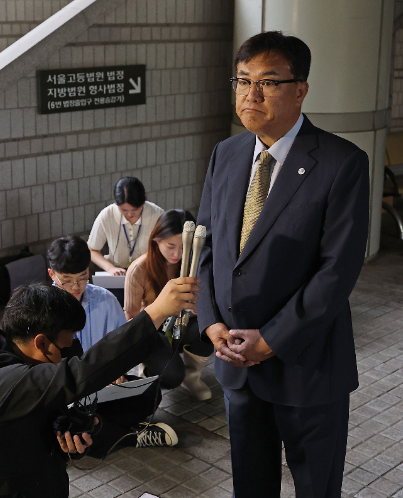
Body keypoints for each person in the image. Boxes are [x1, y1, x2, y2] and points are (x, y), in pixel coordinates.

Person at [197, 31, 369, 498]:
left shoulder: (341, 162)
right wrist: (211, 323)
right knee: (251, 487)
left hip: (307, 366)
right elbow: (208, 248)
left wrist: (271, 339)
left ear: (300, 89)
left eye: (268, 82)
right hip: (238, 364)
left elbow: (337, 271)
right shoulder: (226, 154)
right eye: (242, 80)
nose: (251, 94)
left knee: (316, 487)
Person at [0, 277, 200, 498]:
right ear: (41, 342)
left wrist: (61, 429)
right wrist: (155, 313)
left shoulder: (13, 355)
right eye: (65, 349)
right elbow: (78, 373)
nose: (68, 355)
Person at [46, 235, 177, 456]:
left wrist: (118, 374)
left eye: (82, 277)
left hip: (100, 390)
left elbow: (123, 348)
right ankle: (126, 435)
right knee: (61, 421)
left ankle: (93, 428)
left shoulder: (105, 300)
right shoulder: (43, 307)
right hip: (64, 394)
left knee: (151, 394)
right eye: (67, 280)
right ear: (52, 274)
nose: (76, 287)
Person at [124, 209, 214, 400]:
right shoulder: (139, 270)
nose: (177, 254)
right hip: (153, 329)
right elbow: (131, 318)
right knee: (172, 376)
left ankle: (192, 376)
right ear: (156, 240)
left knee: (208, 328)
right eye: (170, 245)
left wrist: (200, 308)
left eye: (184, 247)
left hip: (185, 322)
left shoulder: (196, 263)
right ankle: (148, 374)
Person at [87, 177, 164, 276]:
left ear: (144, 200)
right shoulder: (107, 215)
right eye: (124, 210)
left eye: (135, 209)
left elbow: (164, 248)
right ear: (115, 202)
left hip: (148, 272)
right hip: (117, 274)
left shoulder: (157, 214)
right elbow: (92, 250)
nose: (130, 214)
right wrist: (110, 268)